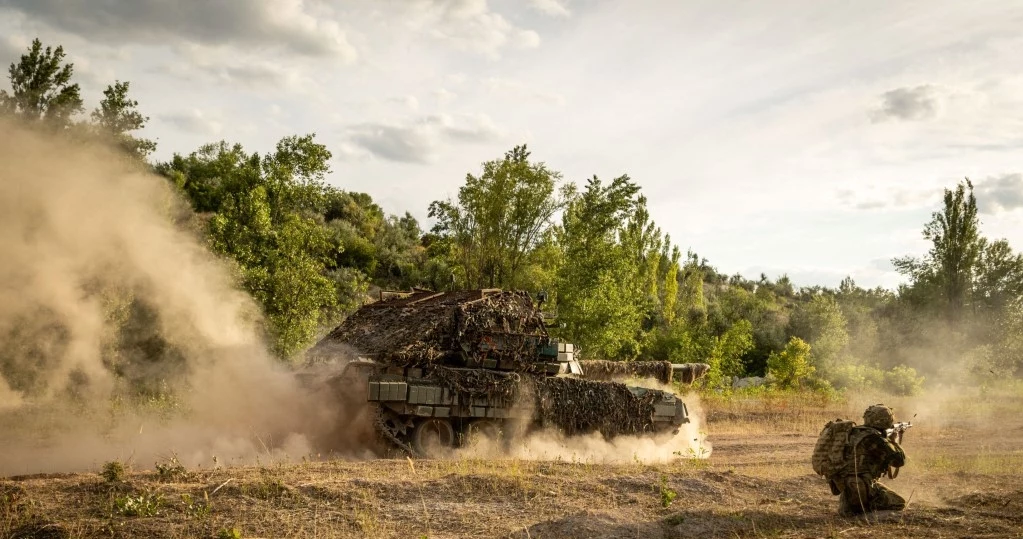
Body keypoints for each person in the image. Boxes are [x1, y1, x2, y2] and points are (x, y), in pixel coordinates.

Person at [830, 404, 907, 517]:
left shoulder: (853, 432)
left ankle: (850, 508)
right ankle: (866, 513)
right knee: (899, 503)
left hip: (846, 487)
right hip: (863, 487)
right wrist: (894, 441)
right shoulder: (876, 438)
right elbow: (899, 461)